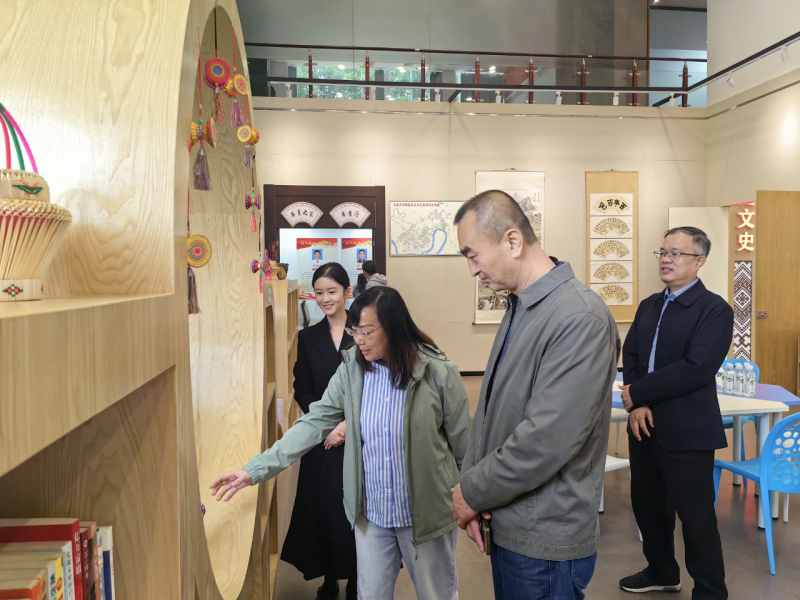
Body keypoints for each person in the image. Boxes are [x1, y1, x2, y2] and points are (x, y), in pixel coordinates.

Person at [211, 286, 471, 600]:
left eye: (367, 332)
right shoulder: (352, 370)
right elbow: (313, 423)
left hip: (426, 515)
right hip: (372, 515)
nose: (358, 339)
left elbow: (465, 448)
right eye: (354, 331)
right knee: (370, 595)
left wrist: (470, 501)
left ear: (394, 327)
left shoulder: (438, 372)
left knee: (437, 595)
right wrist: (254, 469)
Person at [450, 190, 620, 600]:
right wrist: (471, 488)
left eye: (474, 255)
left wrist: (472, 492)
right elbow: (492, 414)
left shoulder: (579, 317)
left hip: (544, 539)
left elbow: (546, 439)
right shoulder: (522, 306)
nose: (473, 270)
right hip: (510, 520)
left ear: (512, 241)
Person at [618, 227, 732, 599]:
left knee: (696, 517)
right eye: (663, 252)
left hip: (687, 430)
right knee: (648, 509)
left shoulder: (714, 309)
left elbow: (697, 367)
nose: (666, 259)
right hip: (644, 425)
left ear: (699, 261)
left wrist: (637, 393)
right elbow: (631, 353)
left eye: (676, 253)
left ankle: (711, 591)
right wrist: (638, 404)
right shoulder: (650, 304)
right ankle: (662, 572)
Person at [281, 263, 357, 600]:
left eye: (332, 291)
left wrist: (347, 425)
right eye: (319, 292)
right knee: (323, 508)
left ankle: (357, 577)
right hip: (321, 437)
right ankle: (329, 578)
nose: (325, 298)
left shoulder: (365, 331)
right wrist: (326, 426)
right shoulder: (307, 337)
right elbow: (302, 387)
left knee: (355, 509)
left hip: (358, 435)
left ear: (347, 292)